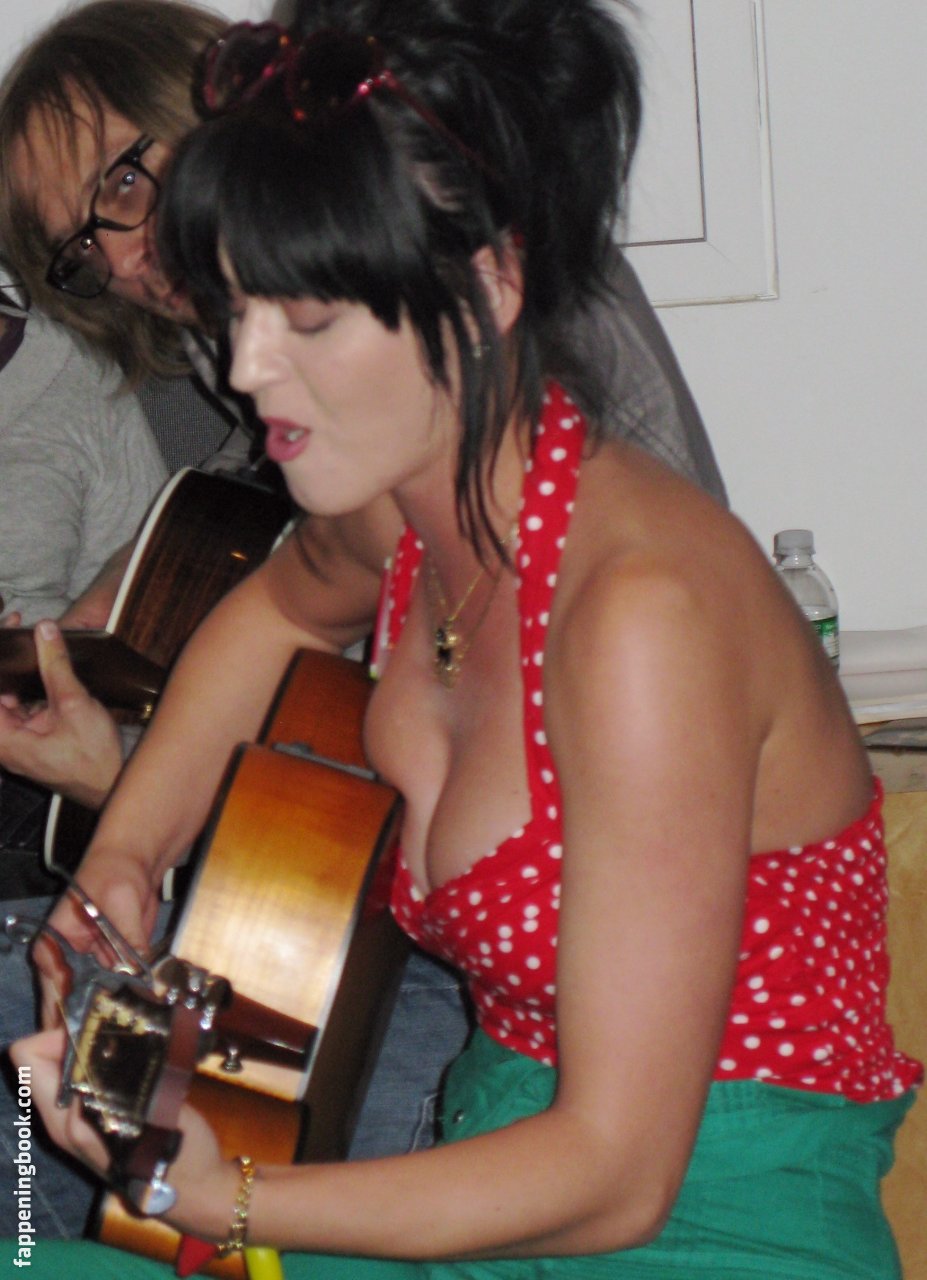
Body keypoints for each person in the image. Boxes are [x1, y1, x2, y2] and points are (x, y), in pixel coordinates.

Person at [7, 0, 921, 1275]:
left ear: (487, 286)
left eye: (308, 320)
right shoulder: (410, 516)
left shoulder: (643, 616)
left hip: (711, 1222)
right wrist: (124, 857)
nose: (249, 369)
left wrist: (228, 1197)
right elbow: (274, 608)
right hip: (490, 1179)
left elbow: (617, 1177)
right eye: (236, 309)